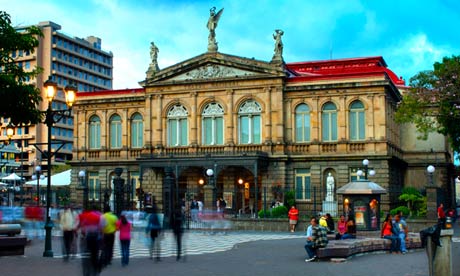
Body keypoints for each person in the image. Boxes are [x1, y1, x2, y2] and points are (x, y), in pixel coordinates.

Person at [77, 205, 102, 276]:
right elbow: (101, 227)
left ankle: (87, 271)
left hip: (87, 238)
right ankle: (95, 270)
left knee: (87, 255)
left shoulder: (86, 216)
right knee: (95, 254)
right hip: (96, 238)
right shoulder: (99, 216)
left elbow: (82, 225)